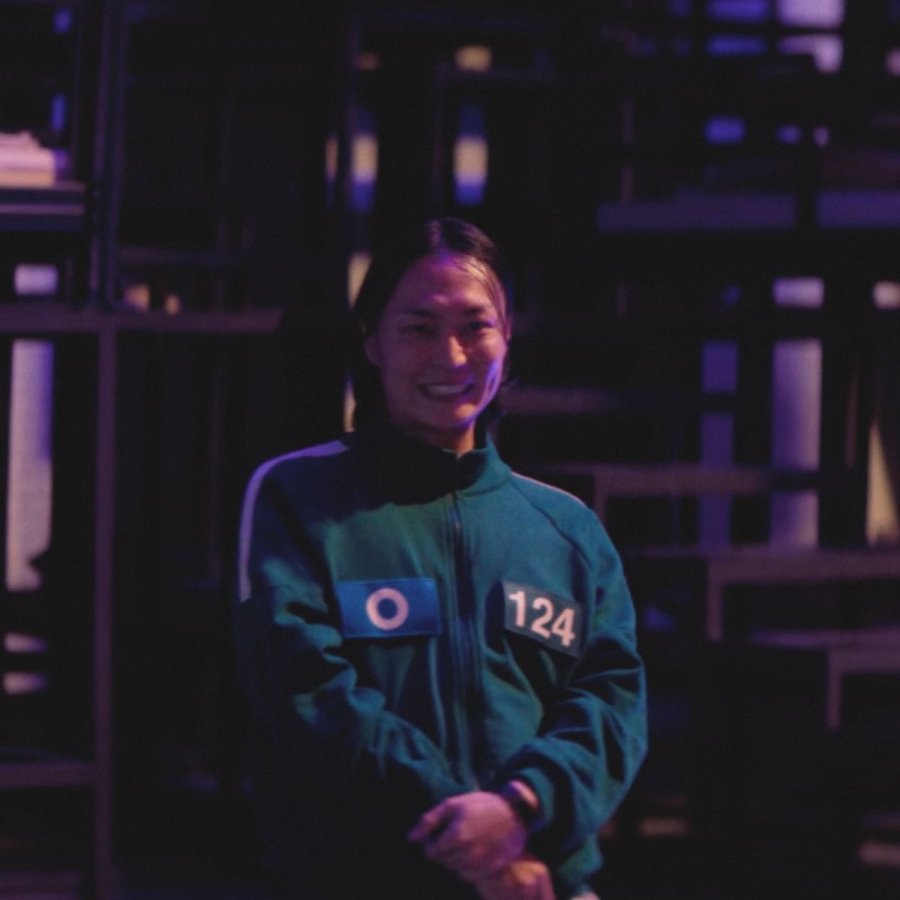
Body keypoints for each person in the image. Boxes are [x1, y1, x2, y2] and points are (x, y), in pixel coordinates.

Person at [234, 217, 647, 899]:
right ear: (372, 341)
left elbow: (610, 705)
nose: (451, 357)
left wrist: (521, 809)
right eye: (419, 329)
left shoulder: (567, 530)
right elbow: (308, 693)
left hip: (538, 878)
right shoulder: (297, 497)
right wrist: (475, 838)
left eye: (475, 327)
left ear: (507, 335)